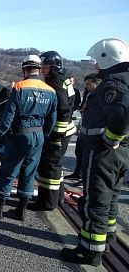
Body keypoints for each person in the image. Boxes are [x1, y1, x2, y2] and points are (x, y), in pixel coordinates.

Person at [61, 38, 129, 266]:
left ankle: (89, 250)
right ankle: (107, 238)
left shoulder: (114, 82)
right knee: (109, 199)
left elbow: (121, 114)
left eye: (96, 61)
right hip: (121, 154)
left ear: (105, 58)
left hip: (103, 150)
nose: (94, 66)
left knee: (95, 201)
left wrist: (111, 138)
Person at [0, 55, 57, 221]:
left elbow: (9, 114)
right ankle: (20, 211)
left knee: (8, 170)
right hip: (38, 135)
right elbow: (52, 119)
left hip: (20, 134)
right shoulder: (51, 91)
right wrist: (44, 135)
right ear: (39, 69)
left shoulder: (20, 87)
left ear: (24, 69)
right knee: (29, 171)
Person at [28, 51, 77, 211]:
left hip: (60, 131)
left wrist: (56, 136)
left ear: (54, 67)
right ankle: (58, 197)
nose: (42, 70)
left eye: (45, 67)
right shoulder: (63, 78)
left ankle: (47, 203)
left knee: (49, 166)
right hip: (65, 129)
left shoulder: (55, 81)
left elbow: (63, 109)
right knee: (55, 166)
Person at [65, 73, 102, 185]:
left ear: (96, 83)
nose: (86, 86)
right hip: (84, 128)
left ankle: (86, 179)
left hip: (94, 132)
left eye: (88, 84)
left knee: (90, 158)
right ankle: (79, 173)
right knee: (79, 152)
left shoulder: (100, 96)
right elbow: (82, 108)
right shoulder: (88, 94)